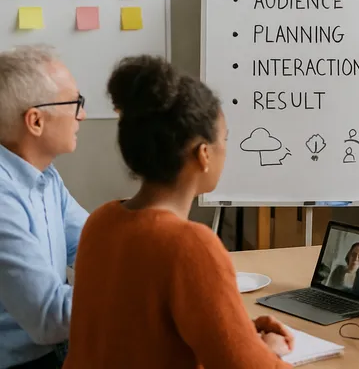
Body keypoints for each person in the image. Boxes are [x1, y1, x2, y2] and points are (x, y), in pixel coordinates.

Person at [63, 55, 293, 369]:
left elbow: (137, 336)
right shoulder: (190, 245)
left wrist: (242, 333)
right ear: (203, 154)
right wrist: (267, 353)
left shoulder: (101, 222)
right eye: (224, 139)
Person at [0, 45, 89, 369]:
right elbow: (50, 317)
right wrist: (147, 287)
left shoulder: (45, 176)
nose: (82, 115)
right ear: (35, 121)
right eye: (74, 103)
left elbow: (96, 245)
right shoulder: (2, 198)